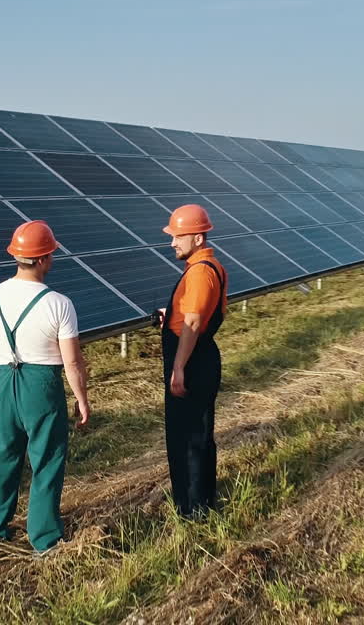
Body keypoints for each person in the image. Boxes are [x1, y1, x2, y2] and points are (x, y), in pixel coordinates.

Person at [0, 220, 91, 553]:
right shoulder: (59, 303)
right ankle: (45, 537)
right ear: (42, 259)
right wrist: (82, 399)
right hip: (41, 384)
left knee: (3, 457)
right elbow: (72, 362)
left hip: (2, 379)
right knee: (47, 459)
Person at [159, 204, 229, 519]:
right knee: (194, 434)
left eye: (178, 236)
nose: (172, 242)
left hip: (192, 362)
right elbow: (190, 315)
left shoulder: (200, 272)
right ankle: (199, 502)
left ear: (198, 238)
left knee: (188, 439)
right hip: (196, 358)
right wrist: (171, 315)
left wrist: (178, 368)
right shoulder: (205, 267)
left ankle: (194, 510)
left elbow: (193, 322)